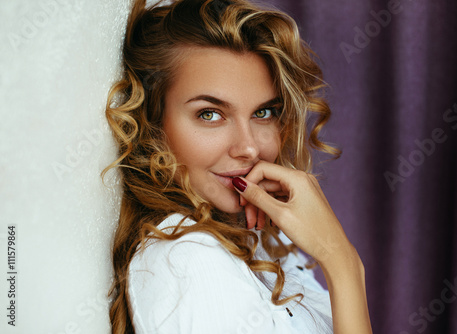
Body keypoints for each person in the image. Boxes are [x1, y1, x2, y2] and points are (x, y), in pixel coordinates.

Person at [103, 0, 372, 333]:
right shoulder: (187, 261)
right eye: (210, 114)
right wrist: (344, 265)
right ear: (153, 123)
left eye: (263, 113)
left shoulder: (264, 242)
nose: (248, 148)